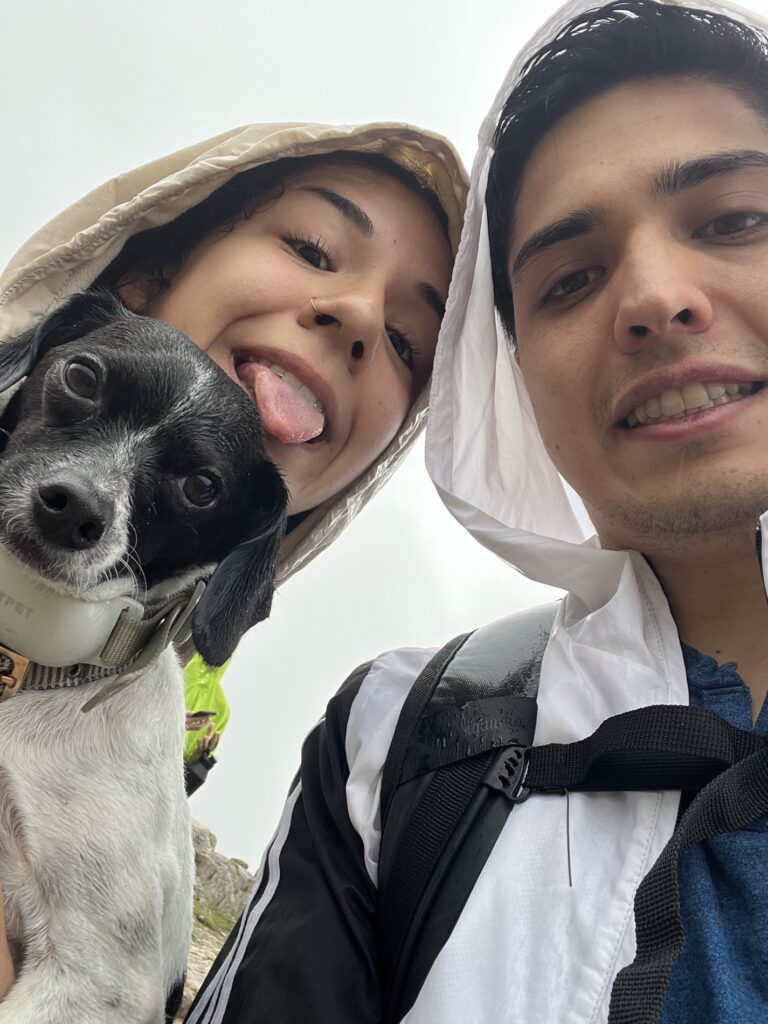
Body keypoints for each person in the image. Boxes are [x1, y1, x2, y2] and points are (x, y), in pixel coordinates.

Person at [183, 2, 768, 1022]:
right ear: (516, 376)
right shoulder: (393, 742)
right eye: (570, 279)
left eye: (733, 221)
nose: (654, 296)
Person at [0, 122, 467, 1011]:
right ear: (149, 269)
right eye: (311, 247)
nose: (360, 315)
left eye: (408, 343)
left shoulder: (150, 730)